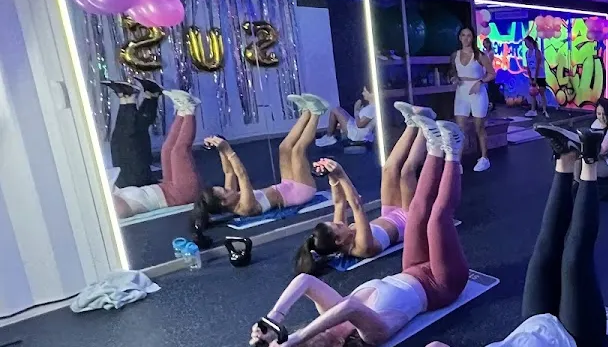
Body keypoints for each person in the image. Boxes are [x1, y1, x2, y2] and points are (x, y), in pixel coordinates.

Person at [362, 125, 608, 347]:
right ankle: (588, 159)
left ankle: (565, 159)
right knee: (572, 260)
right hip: (576, 341)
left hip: (534, 323)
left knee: (543, 251)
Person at [251, 118, 468, 347]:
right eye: (312, 342)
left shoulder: (333, 310)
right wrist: (296, 339)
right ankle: (454, 151)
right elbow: (350, 309)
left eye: (304, 338)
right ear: (337, 345)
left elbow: (304, 281)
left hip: (411, 268)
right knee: (436, 219)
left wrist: (274, 318)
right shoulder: (371, 334)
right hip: (441, 285)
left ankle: (435, 147)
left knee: (416, 213)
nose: (310, 335)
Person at [294, 102, 432, 273]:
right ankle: (426, 125)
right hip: (409, 221)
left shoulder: (341, 235)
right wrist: (341, 173)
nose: (339, 223)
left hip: (390, 214)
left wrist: (332, 176)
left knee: (388, 169)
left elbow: (339, 203)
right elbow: (357, 205)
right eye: (337, 226)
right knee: (406, 173)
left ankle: (411, 124)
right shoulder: (362, 247)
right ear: (338, 241)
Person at [194, 93, 328, 227]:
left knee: (284, 148)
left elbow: (229, 172)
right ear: (224, 202)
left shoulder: (230, 198)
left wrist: (220, 148)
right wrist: (228, 149)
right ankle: (317, 113)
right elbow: (242, 175)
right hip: (301, 191)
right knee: (297, 151)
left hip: (287, 185)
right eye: (225, 191)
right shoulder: (244, 207)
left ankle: (306, 112)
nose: (228, 188)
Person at [112, 89, 202, 218]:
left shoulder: (114, 195)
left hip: (167, 186)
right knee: (178, 152)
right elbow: (117, 208)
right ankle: (190, 109)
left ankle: (182, 112)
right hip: (181, 193)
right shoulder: (117, 209)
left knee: (166, 150)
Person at [102, 77, 162, 187]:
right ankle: (133, 98)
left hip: (129, 179)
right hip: (136, 178)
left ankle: (128, 98)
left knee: (119, 139)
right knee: (130, 136)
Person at [450, 26, 493, 173]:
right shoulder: (455, 55)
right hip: (461, 92)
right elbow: (453, 71)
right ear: (459, 37)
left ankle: (484, 158)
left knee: (479, 126)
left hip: (477, 91)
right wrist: (454, 78)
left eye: (469, 35)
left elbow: (491, 73)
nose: (466, 38)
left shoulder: (479, 55)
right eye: (463, 35)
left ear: (473, 38)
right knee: (460, 127)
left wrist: (480, 82)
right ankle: (458, 162)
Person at [524, 34, 549, 118]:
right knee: (533, 93)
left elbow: (538, 66)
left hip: (540, 76)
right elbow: (528, 66)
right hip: (532, 76)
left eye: (526, 43)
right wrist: (530, 78)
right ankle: (533, 110)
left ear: (531, 42)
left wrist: (535, 78)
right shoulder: (527, 53)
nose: (526, 44)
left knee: (541, 92)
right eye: (525, 43)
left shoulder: (537, 52)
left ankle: (544, 110)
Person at [481, 37, 504, 109]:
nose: (484, 45)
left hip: (489, 71)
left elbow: (489, 62)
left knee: (491, 88)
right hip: (484, 70)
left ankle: (492, 104)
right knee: (486, 88)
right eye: (483, 44)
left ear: (488, 44)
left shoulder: (491, 52)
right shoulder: (484, 52)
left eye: (485, 43)